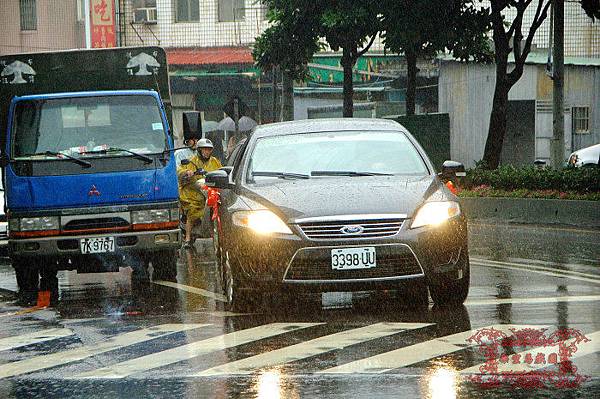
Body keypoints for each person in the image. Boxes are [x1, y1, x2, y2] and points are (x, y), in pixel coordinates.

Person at [177, 138, 222, 248]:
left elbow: (221, 171)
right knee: (192, 210)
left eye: (209, 150)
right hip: (193, 191)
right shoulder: (192, 161)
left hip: (210, 191)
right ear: (199, 150)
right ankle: (187, 238)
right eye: (204, 150)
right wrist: (187, 172)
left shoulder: (215, 161)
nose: (207, 152)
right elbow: (180, 170)